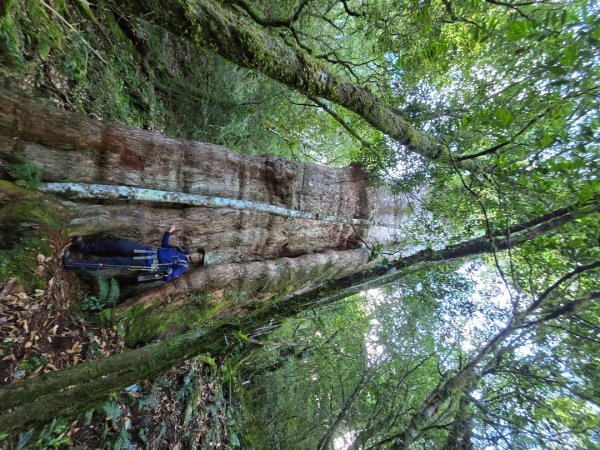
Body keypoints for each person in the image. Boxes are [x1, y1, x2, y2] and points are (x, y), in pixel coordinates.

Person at [63, 225, 205, 281]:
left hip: (146, 262)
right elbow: (164, 245)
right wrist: (168, 233)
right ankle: (81, 247)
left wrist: (168, 275)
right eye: (198, 254)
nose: (196, 256)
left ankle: (73, 263)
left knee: (114, 262)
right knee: (116, 245)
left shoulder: (183, 265)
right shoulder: (181, 251)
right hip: (144, 250)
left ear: (196, 263)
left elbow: (172, 276)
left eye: (198, 259)